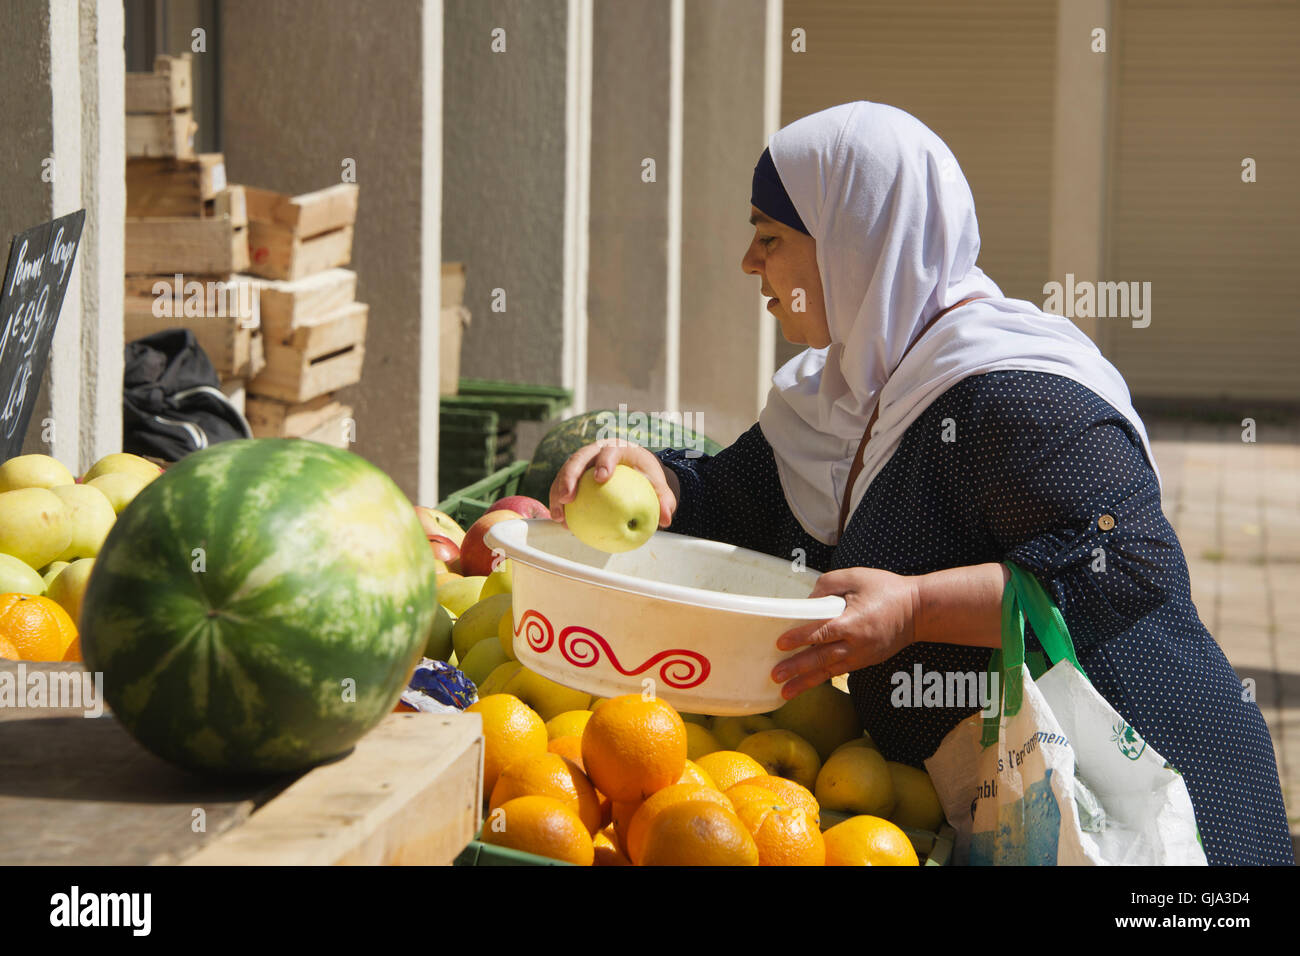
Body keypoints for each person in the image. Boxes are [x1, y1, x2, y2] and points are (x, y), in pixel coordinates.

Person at [549, 102, 1293, 865]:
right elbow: (738, 500)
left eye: (770, 238)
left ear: (854, 244)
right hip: (1017, 812)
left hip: (1154, 804)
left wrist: (914, 611)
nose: (748, 263)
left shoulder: (1012, 394)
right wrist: (658, 476)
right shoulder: (838, 393)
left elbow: (1125, 571)